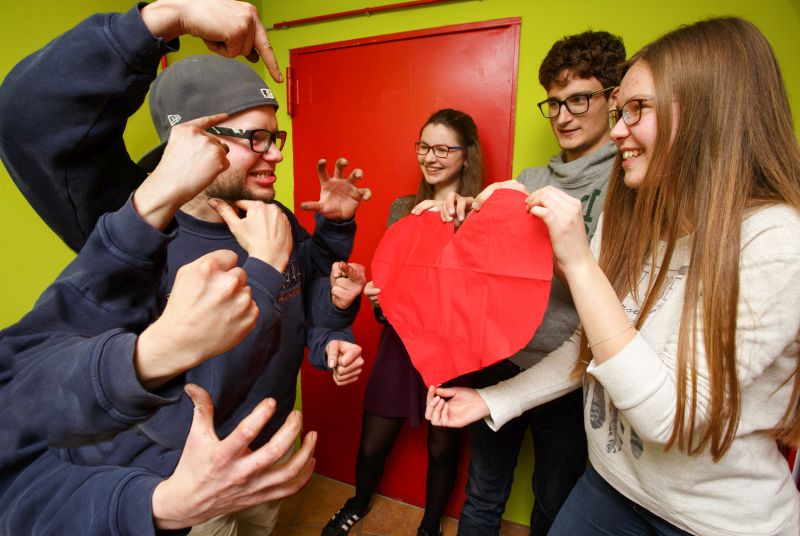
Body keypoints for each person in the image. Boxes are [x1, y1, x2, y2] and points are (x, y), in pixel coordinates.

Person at [0, 0, 369, 532]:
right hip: (181, 479)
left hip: (263, 456)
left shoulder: (270, 215)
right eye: (255, 139)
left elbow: (308, 284)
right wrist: (161, 18)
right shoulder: (134, 223)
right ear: (196, 137)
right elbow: (28, 116)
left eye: (276, 136)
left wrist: (329, 312)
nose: (277, 155)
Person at [426, 16, 800, 536]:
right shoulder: (637, 214)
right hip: (609, 484)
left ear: (708, 111)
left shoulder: (777, 239)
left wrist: (576, 260)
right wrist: (494, 398)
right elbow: (591, 343)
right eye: (623, 110)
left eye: (636, 109)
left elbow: (668, 417)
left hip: (710, 521)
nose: (620, 129)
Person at [445, 30, 625, 536]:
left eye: (579, 99)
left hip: (573, 371)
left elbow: (617, 292)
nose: (564, 116)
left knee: (556, 500)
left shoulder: (628, 183)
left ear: (613, 98)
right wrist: (460, 226)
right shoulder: (527, 179)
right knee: (482, 492)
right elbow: (486, 272)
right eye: (554, 103)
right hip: (499, 356)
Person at [322, 109, 484, 536]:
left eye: (443, 148)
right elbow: (392, 286)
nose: (430, 157)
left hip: (451, 347)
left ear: (466, 156)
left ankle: (430, 525)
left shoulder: (479, 211)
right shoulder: (402, 209)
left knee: (442, 446)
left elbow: (481, 294)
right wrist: (376, 297)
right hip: (401, 341)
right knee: (373, 442)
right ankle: (357, 502)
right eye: (424, 146)